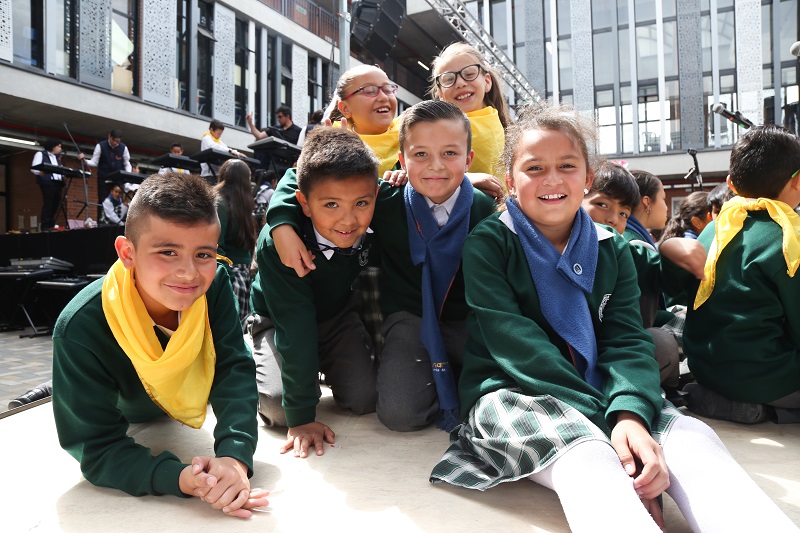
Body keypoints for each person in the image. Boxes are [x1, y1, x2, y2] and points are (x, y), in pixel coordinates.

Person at [429, 101, 797, 532]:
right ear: (510, 180)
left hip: (605, 385)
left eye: (567, 165)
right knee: (589, 457)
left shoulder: (612, 246)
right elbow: (516, 345)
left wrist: (631, 415)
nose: (552, 179)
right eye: (534, 168)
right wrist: (612, 422)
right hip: (512, 389)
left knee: (695, 442)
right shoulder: (489, 243)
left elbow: (625, 337)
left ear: (586, 178)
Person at [269, 100, 497, 432]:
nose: (435, 166)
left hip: (468, 319)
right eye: (420, 155)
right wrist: (280, 223)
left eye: (450, 154)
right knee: (398, 415)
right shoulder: (385, 201)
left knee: (495, 395)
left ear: (468, 158)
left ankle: (453, 378)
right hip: (409, 318)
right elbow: (309, 179)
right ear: (401, 160)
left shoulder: (485, 209)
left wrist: (468, 180)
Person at [51, 172, 268, 517]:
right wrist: (182, 478)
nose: (189, 273)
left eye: (203, 254)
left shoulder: (214, 286)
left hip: (170, 400)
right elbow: (96, 447)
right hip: (131, 405)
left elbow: (232, 367)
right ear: (127, 253)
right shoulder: (79, 328)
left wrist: (233, 456)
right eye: (167, 252)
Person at [249, 127, 379, 459]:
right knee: (280, 410)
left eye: (361, 203)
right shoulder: (281, 243)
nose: (348, 220)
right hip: (277, 321)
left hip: (336, 318)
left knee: (364, 399)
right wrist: (302, 418)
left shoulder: (374, 213)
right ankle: (250, 352)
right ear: (304, 204)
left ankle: (315, 365)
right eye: (331, 204)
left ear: (373, 195)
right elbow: (295, 326)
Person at [664, 125, 800, 425]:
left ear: (731, 183)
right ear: (798, 181)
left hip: (706, 367)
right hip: (766, 379)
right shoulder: (790, 238)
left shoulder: (713, 229)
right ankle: (764, 410)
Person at [430, 42, 510, 179]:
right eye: (449, 79)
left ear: (487, 81)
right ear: (440, 93)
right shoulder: (431, 129)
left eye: (469, 74)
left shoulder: (509, 133)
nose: (460, 83)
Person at [215, 159, 257, 329]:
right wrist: (229, 275)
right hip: (230, 273)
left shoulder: (238, 202)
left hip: (241, 274)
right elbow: (216, 245)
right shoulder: (220, 204)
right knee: (233, 327)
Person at [82, 129, 131, 218]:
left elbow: (127, 163)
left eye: (118, 141)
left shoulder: (123, 148)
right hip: (103, 178)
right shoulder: (100, 146)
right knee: (102, 200)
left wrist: (127, 177)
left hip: (117, 179)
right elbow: (94, 162)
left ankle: (116, 222)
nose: (116, 143)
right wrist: (85, 161)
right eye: (114, 140)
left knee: (117, 200)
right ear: (109, 137)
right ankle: (101, 222)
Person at [30, 137, 66, 231]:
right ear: (53, 146)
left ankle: (51, 224)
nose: (60, 148)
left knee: (56, 203)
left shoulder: (57, 158)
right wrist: (40, 172)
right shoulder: (41, 154)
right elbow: (34, 167)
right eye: (59, 146)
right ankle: (46, 226)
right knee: (48, 203)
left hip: (58, 183)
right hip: (48, 182)